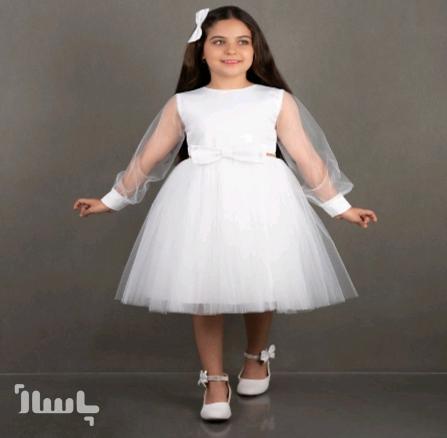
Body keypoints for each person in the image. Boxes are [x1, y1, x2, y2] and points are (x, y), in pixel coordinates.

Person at [73, 6, 378, 422]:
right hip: (200, 201)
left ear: (255, 50)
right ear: (201, 51)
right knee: (204, 287)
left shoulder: (275, 100)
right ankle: (214, 380)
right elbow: (147, 159)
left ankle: (256, 357)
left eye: (242, 42)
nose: (231, 51)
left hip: (264, 198)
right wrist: (112, 199)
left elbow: (307, 158)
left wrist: (340, 207)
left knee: (263, 275)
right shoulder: (185, 103)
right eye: (219, 42)